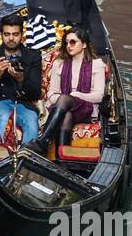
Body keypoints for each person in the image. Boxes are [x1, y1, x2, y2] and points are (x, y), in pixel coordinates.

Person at [28, 26, 107, 154]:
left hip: (87, 109)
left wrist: (75, 96)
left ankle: (43, 141)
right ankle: (62, 160)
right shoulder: (59, 63)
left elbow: (99, 96)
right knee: (66, 115)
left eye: (73, 42)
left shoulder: (97, 64)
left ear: (84, 44)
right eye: (66, 42)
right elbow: (51, 94)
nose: (69, 45)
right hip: (63, 108)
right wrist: (64, 100)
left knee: (65, 98)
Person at [0, 14, 43, 147]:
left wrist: (21, 79)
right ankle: (10, 159)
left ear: (22, 34)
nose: (11, 38)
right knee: (5, 118)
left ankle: (27, 159)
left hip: (23, 104)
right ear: (1, 34)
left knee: (31, 119)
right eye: (7, 34)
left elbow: (35, 93)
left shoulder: (33, 56)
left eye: (15, 34)